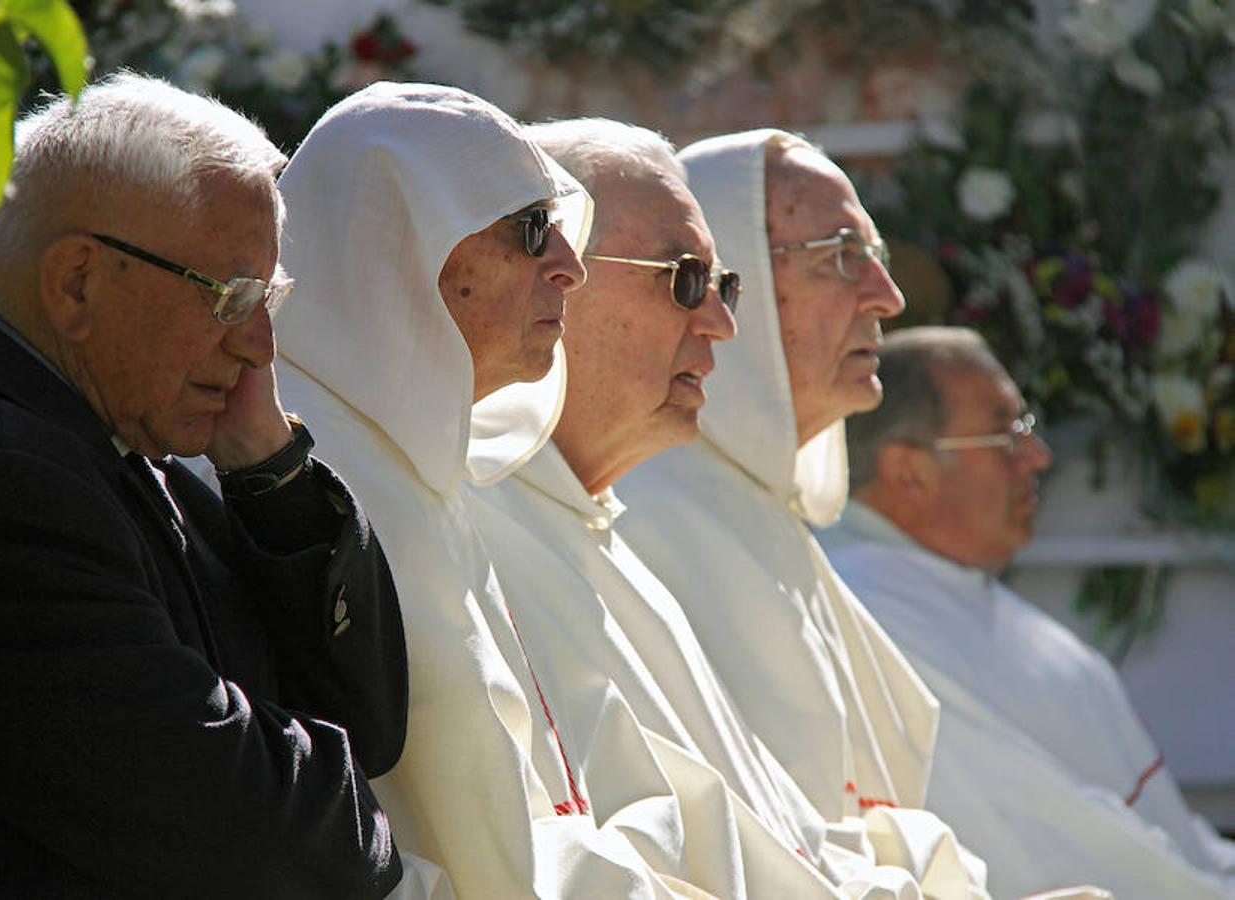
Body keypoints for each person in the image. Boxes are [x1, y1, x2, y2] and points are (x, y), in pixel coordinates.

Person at [0, 72, 405, 898]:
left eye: (268, 297)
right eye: (233, 297)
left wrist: (265, 465)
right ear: (77, 283)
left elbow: (366, 727)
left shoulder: (110, 439)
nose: (262, 346)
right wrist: (325, 793)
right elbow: (267, 843)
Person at [273, 82, 728, 899]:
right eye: (530, 229)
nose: (570, 267)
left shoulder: (425, 465)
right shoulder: (304, 476)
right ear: (401, 240)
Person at [464, 116, 932, 899]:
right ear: (558, 279)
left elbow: (780, 835)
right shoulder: (498, 524)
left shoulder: (606, 528)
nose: (721, 321)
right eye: (683, 277)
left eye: (725, 285)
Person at [617, 129, 999, 897]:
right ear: (738, 286)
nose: (887, 298)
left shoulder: (757, 510)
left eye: (877, 256)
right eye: (841, 257)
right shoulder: (650, 516)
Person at [819, 325, 1235, 899]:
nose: (1038, 457)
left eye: (1027, 427)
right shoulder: (874, 613)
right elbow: (1043, 839)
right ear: (908, 472)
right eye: (1004, 433)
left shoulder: (943, 584)